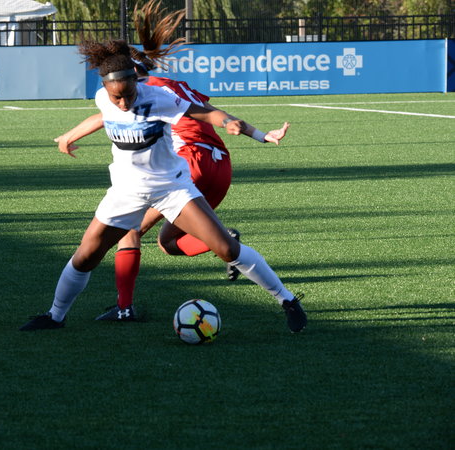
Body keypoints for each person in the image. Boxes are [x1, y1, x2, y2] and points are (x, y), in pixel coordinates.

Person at [19, 37, 307, 333]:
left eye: (128, 94)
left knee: (226, 248)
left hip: (171, 189)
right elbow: (104, 116)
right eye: (117, 97)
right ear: (104, 88)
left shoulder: (158, 97)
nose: (124, 103)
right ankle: (55, 316)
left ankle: (287, 300)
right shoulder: (103, 99)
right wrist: (69, 136)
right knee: (85, 256)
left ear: (136, 81)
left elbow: (205, 112)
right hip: (125, 193)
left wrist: (234, 125)